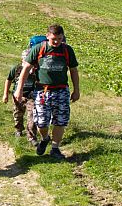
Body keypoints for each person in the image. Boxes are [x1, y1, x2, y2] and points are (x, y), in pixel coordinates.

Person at [13, 24, 79, 159]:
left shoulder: (67, 50)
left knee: (60, 121)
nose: (56, 42)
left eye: (60, 39)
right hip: (42, 91)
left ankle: (55, 148)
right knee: (41, 122)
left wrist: (76, 90)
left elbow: (73, 70)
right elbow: (25, 69)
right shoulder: (39, 48)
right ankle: (45, 138)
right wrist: (19, 90)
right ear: (47, 36)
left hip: (61, 90)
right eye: (54, 39)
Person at [2, 49, 39, 146]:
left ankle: (31, 137)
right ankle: (18, 129)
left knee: (32, 117)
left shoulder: (36, 70)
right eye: (25, 59)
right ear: (22, 59)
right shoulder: (16, 69)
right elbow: (8, 80)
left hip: (31, 97)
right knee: (18, 115)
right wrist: (5, 94)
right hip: (18, 97)